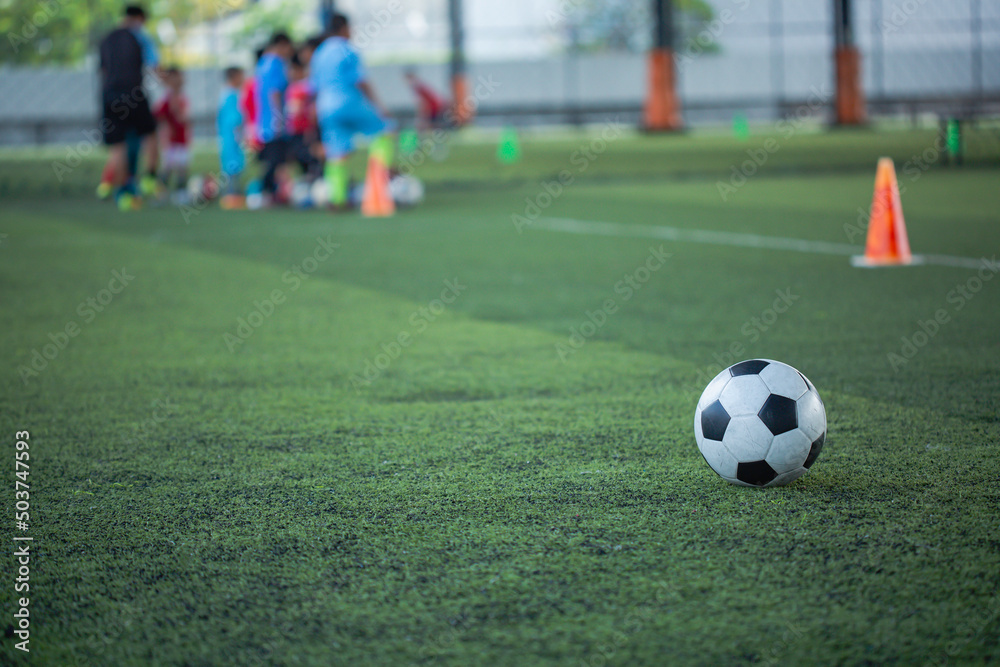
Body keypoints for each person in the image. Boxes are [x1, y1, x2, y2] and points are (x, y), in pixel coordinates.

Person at [311, 13, 394, 209]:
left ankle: (337, 199)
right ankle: (379, 185)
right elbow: (360, 81)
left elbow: (313, 86)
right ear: (344, 28)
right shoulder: (347, 50)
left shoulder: (319, 53)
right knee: (385, 130)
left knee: (336, 152)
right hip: (349, 102)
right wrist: (379, 106)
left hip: (326, 107)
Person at [96, 4, 161, 210]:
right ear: (140, 18)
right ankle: (149, 179)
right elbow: (154, 66)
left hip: (109, 96)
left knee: (118, 147)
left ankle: (123, 194)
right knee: (150, 134)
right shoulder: (140, 36)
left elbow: (103, 72)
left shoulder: (106, 39)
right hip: (133, 93)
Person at [255, 32, 294, 204]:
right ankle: (264, 191)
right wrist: (279, 117)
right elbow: (275, 92)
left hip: (264, 120)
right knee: (276, 160)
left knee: (274, 160)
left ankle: (272, 193)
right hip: (274, 121)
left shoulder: (263, 63)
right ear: (282, 44)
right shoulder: (276, 63)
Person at [154, 66, 191, 203]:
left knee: (182, 167)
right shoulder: (166, 97)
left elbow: (185, 118)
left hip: (182, 139)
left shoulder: (182, 96)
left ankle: (180, 193)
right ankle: (160, 194)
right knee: (167, 167)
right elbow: (160, 116)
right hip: (170, 140)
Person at [285, 53, 319, 179]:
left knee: (310, 156)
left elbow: (308, 110)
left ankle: (315, 178)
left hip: (305, 130)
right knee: (299, 157)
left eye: (293, 69)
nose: (290, 73)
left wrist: (310, 130)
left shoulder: (307, 87)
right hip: (295, 131)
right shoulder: (292, 88)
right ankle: (307, 179)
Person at [218, 67, 246, 203]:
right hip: (231, 135)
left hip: (229, 134)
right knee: (232, 162)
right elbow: (233, 117)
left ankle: (233, 191)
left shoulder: (228, 93)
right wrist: (238, 131)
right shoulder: (231, 95)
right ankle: (230, 193)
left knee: (233, 161)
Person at [405, 68, 448, 132]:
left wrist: (423, 118)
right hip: (436, 108)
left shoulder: (418, 87)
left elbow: (425, 104)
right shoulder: (419, 86)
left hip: (435, 109)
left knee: (427, 126)